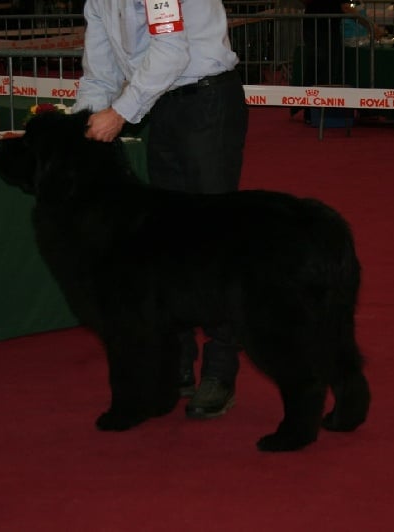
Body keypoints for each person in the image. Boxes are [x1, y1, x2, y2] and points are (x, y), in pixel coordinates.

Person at [72, 0, 248, 419]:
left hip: (207, 102)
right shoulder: (96, 3)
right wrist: (77, 127)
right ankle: (176, 364)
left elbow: (172, 51)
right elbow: (100, 74)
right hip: (160, 104)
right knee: (168, 249)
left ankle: (220, 371)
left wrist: (120, 113)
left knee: (213, 245)